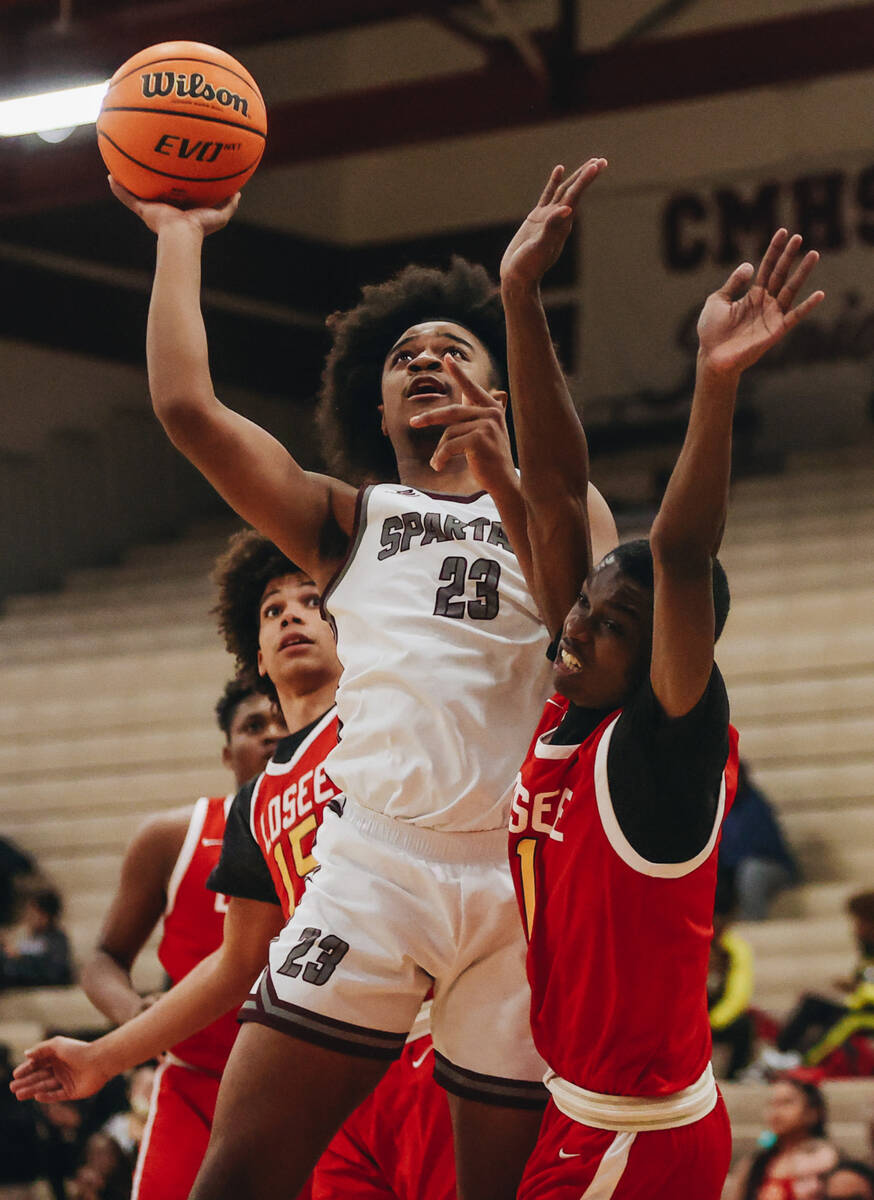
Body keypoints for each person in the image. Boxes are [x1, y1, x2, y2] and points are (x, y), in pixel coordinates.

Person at [100, 169, 618, 1200]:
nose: (425, 357)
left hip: (521, 890)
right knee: (235, 1181)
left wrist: (519, 302)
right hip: (377, 870)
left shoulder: (566, 504)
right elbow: (186, 408)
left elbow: (578, 622)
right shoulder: (349, 519)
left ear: (502, 392)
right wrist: (177, 233)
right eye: (403, 356)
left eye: (451, 349)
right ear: (379, 408)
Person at [432, 159, 823, 1198]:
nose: (577, 628)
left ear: (661, 656)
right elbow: (557, 494)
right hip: (579, 1110)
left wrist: (714, 382)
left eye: (613, 627)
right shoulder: (576, 697)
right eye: (584, 608)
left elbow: (682, 555)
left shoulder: (662, 751)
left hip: (631, 1133)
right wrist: (520, 298)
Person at [13, 530, 456, 1199]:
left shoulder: (389, 719)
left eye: (311, 602)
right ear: (258, 657)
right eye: (273, 610)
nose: (291, 615)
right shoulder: (256, 803)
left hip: (433, 1044)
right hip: (322, 1075)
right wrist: (103, 1057)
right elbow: (232, 965)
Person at [15, 676, 285, 1200]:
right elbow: (101, 961)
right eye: (254, 725)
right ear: (228, 753)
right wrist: (136, 1016)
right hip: (196, 1079)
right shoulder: (172, 837)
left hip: (306, 1079)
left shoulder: (337, 823)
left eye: (281, 722)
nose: (272, 734)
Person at [765, 890, 874, 1072]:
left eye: (861, 923)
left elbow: (866, 988)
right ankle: (780, 1052)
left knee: (847, 1022)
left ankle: (804, 1062)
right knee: (812, 1003)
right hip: (860, 1007)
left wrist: (858, 988)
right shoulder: (867, 952)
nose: (856, 929)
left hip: (867, 1015)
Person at [728, 1075, 835, 1200]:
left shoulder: (827, 1158)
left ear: (813, 1112)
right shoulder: (754, 1165)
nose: (776, 1112)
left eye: (786, 1103)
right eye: (772, 1104)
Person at [720, 759, 799, 920]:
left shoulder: (756, 807)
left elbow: (763, 847)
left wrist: (729, 861)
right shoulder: (717, 808)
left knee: (751, 871)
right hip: (730, 868)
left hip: (771, 865)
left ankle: (753, 920)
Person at [710, 873, 756, 1079]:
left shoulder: (736, 948)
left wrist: (713, 1021)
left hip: (713, 1016)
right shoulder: (683, 944)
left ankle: (735, 1076)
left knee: (744, 1024)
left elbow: (738, 993)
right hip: (686, 1017)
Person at [0, 888, 73, 989]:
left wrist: (18, 956)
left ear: (45, 916)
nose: (28, 918)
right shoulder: (32, 936)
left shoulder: (57, 940)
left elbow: (52, 970)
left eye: (33, 914)